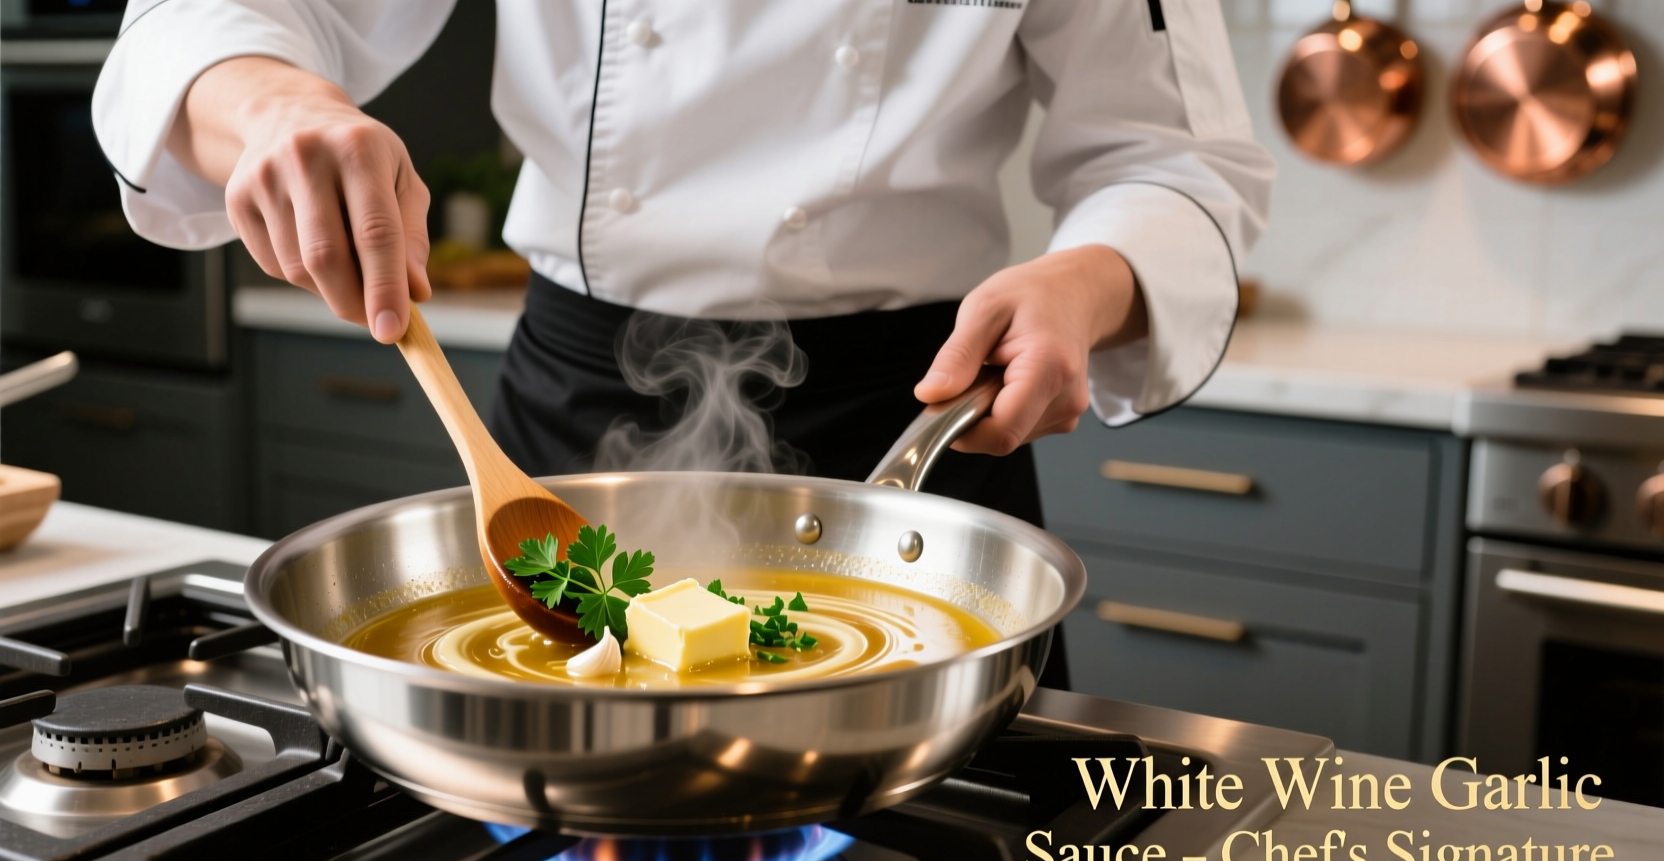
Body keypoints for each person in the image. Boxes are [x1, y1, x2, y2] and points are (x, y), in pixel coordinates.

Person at [93, 0, 1273, 690]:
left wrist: (1089, 275)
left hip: (916, 411)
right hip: (568, 411)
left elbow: (1172, 161)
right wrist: (275, 105)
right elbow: (206, 25)